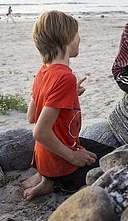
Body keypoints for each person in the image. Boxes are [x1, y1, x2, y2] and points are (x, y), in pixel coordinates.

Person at [23, 10, 114, 201]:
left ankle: (44, 176)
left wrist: (71, 95)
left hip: (46, 156)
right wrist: (73, 157)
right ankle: (54, 181)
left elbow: (31, 116)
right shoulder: (65, 77)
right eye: (76, 34)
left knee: (106, 150)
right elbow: (39, 131)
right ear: (66, 38)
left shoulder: (43, 71)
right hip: (62, 162)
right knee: (116, 161)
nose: (79, 39)